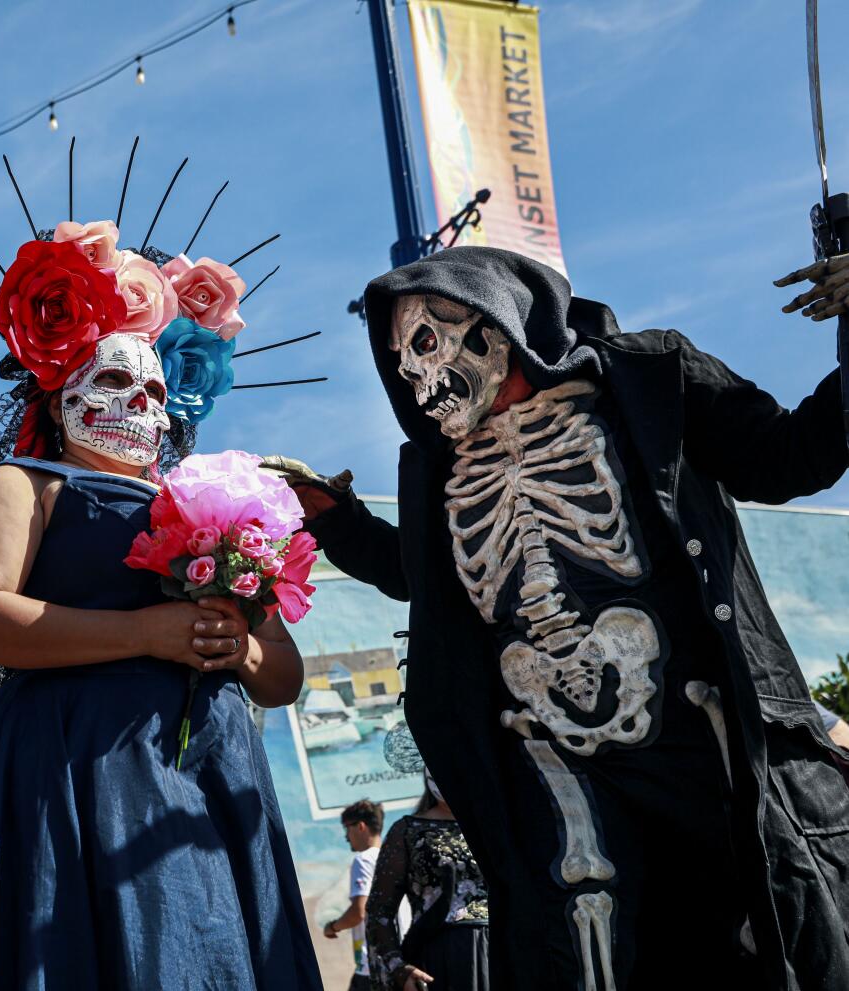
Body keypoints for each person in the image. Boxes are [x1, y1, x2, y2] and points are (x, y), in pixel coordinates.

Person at [274, 245, 849, 989]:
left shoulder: (644, 379)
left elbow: (789, 456)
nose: (417, 378)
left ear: (495, 324)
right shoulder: (438, 470)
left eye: (427, 343)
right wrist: (336, 518)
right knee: (578, 949)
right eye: (401, 361)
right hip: (556, 758)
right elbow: (422, 583)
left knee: (761, 938)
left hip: (696, 732)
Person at [0, 208, 320, 988]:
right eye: (115, 378)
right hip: (64, 774)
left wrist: (245, 646)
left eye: (155, 387)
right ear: (59, 399)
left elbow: (283, 673)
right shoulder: (21, 484)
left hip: (207, 785)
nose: (140, 400)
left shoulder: (218, 503)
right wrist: (147, 633)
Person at [366, 775, 488, 991]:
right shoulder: (407, 830)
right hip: (443, 958)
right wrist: (399, 968)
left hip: (504, 954)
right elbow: (378, 912)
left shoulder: (493, 827)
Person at [324, 799, 384, 990]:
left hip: (370, 969)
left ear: (360, 827)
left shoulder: (363, 860)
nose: (346, 837)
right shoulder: (392, 857)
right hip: (395, 965)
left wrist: (332, 926)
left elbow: (359, 912)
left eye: (347, 829)